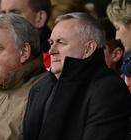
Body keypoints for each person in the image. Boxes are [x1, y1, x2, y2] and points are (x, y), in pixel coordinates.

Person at [22, 12, 131, 140]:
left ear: (88, 49)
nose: (51, 50)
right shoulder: (40, 87)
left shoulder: (108, 90)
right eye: (51, 43)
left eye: (61, 42)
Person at [0, 0, 51, 69]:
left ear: (39, 18)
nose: (5, 21)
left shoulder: (55, 61)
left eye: (15, 14)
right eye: (3, 14)